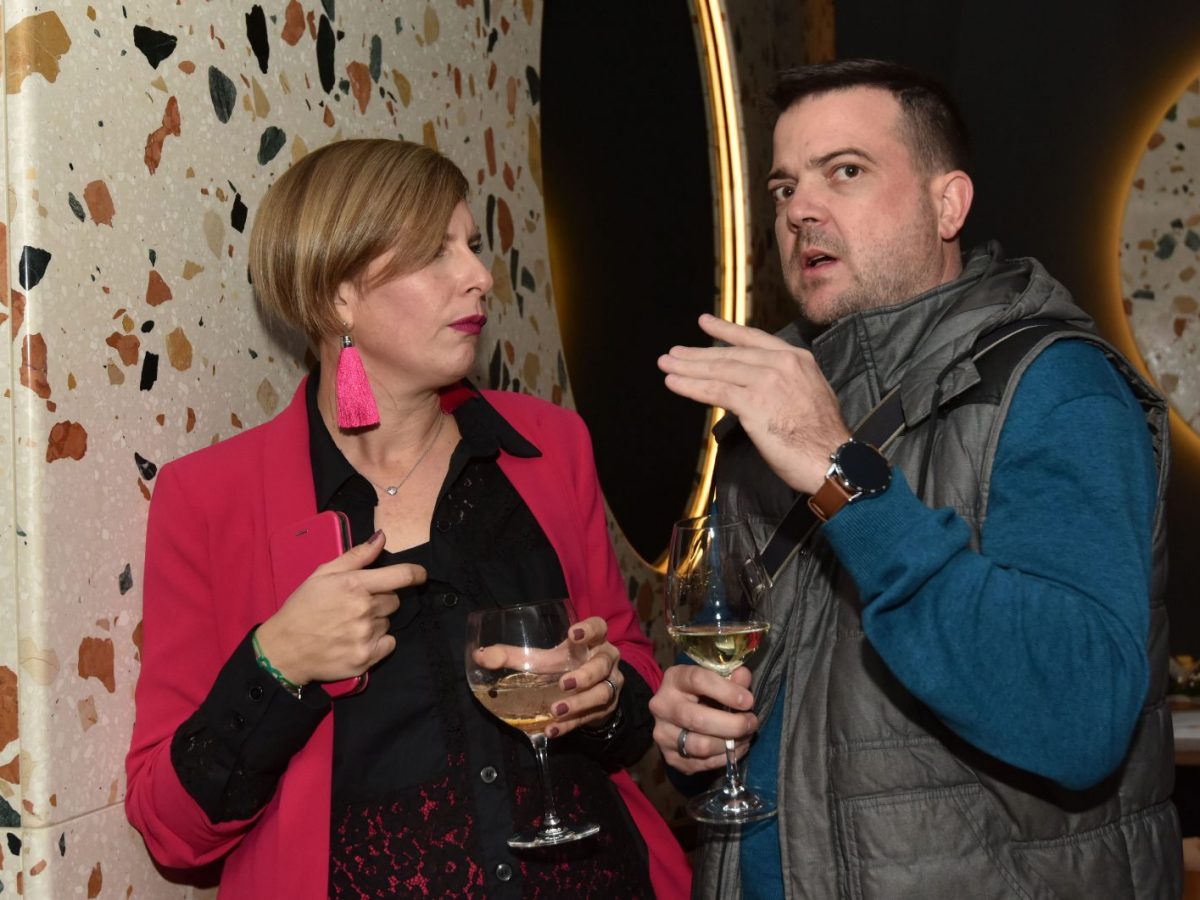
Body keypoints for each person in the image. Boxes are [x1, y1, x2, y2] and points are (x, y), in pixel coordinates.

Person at [650, 59, 1181, 898]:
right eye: (784, 187)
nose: (799, 209)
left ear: (948, 205)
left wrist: (839, 471)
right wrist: (695, 736)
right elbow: (782, 710)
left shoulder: (1053, 387)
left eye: (845, 171)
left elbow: (1079, 718)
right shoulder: (776, 405)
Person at [125, 139, 690, 899]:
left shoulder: (550, 446)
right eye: (435, 252)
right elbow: (171, 831)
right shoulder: (208, 500)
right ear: (338, 298)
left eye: (473, 245)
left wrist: (604, 691)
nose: (480, 276)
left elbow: (632, 670)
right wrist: (277, 662)